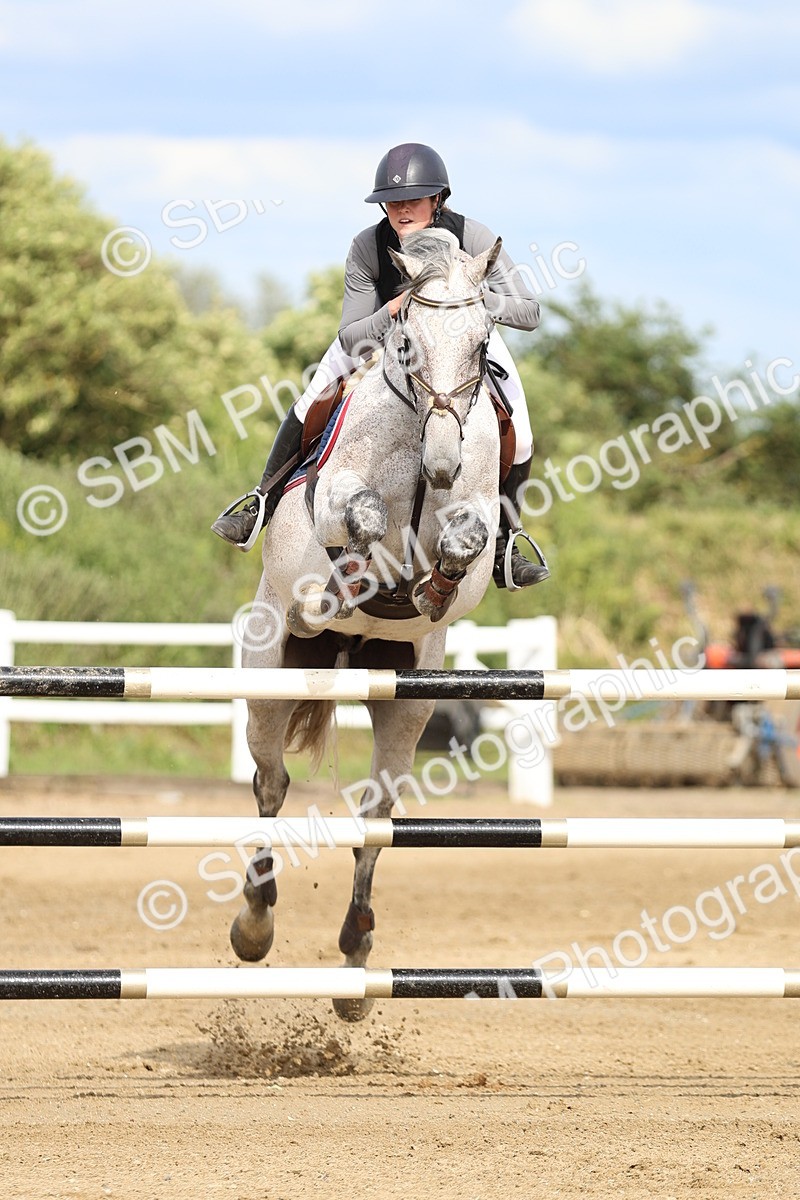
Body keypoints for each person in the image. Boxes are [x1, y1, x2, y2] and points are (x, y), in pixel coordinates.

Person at [212, 142, 549, 589]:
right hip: (388, 336)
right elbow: (351, 334)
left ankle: (506, 539)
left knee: (520, 430)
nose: (400, 209)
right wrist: (395, 309)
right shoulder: (368, 246)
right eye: (392, 202)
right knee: (313, 395)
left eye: (412, 199)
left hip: (462, 337)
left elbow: (529, 312)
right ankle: (262, 502)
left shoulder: (475, 237)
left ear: (438, 199)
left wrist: (469, 301)